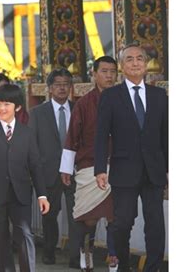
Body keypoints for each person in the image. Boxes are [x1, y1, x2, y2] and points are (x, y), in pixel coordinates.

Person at [94, 44, 168, 272]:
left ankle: (153, 267)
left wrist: (169, 168)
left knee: (155, 223)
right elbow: (101, 134)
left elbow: (165, 134)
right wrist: (100, 169)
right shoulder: (110, 96)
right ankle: (123, 265)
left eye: (139, 59)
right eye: (129, 59)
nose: (135, 63)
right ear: (122, 67)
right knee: (123, 223)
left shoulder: (159, 95)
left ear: (146, 65)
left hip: (154, 170)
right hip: (123, 169)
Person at [0, 84, 50, 272]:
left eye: (6, 104)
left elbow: (35, 166)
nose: (1, 108)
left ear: (17, 107)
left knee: (25, 236)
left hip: (21, 194)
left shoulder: (27, 133)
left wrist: (42, 195)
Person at [59, 56, 119, 271]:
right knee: (88, 218)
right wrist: (66, 168)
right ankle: (87, 251)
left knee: (116, 217)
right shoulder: (84, 103)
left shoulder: (123, 100)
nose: (109, 76)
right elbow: (72, 135)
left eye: (113, 71)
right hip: (89, 168)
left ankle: (114, 256)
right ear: (94, 74)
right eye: (104, 71)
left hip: (119, 167)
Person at [28, 68, 80, 268]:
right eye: (57, 84)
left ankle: (75, 256)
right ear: (50, 88)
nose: (62, 88)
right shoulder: (38, 113)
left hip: (75, 171)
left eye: (66, 84)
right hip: (48, 172)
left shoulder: (78, 108)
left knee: (76, 215)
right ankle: (49, 250)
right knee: (49, 216)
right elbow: (32, 144)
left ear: (70, 87)